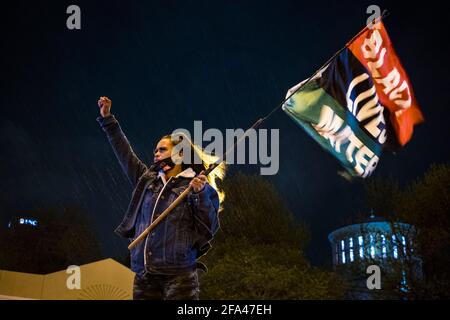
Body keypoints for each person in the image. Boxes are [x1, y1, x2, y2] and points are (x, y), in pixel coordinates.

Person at [96, 96, 224, 300]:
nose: (155, 153)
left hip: (179, 273)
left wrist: (199, 195)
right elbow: (124, 153)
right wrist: (108, 119)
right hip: (144, 273)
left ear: (180, 155)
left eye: (162, 149)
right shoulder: (148, 181)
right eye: (155, 150)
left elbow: (210, 226)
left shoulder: (198, 186)